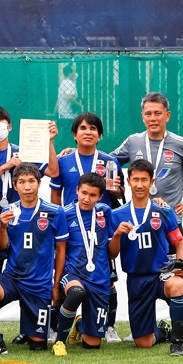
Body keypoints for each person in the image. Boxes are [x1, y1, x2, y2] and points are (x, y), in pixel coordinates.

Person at [0, 105, 59, 346]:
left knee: (28, 267)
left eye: (2, 122)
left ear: (10, 127)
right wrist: (5, 166)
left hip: (22, 217)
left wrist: (50, 141)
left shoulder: (25, 150)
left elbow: (52, 170)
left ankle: (29, 329)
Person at [0, 163, 68, 355]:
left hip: (39, 284)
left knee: (38, 347)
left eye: (31, 181)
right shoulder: (9, 210)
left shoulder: (55, 212)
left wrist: (56, 285)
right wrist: (2, 228)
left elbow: (61, 251)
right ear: (15, 186)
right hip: (12, 278)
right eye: (22, 182)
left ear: (39, 183)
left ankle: (29, 330)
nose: (27, 186)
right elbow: (1, 249)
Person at [50, 112, 123, 344]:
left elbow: (120, 195)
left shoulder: (110, 162)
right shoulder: (64, 161)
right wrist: (57, 220)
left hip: (100, 230)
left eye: (93, 128)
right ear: (74, 134)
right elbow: (55, 193)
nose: (88, 132)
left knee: (108, 279)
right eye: (82, 128)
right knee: (65, 278)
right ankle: (56, 329)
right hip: (72, 227)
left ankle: (106, 326)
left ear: (100, 135)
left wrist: (116, 190)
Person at [108, 159, 183, 356]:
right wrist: (117, 234)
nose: (139, 184)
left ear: (152, 182)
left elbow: (179, 244)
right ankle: (163, 332)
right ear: (128, 181)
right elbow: (112, 253)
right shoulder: (117, 215)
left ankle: (177, 343)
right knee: (143, 343)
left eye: (144, 180)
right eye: (135, 179)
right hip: (136, 279)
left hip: (162, 274)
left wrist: (182, 264)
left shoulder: (163, 210)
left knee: (177, 285)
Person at [111, 92, 183, 252]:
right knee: (142, 272)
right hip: (139, 222)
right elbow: (108, 161)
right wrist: (80, 150)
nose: (153, 118)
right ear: (142, 116)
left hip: (170, 221)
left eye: (158, 113)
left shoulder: (181, 144)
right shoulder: (133, 141)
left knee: (175, 272)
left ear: (167, 116)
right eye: (148, 114)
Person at [52, 173, 113, 356]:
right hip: (73, 273)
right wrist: (56, 284)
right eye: (84, 193)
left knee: (92, 345)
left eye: (93, 195)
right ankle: (59, 342)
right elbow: (59, 251)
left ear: (100, 196)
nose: (87, 199)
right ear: (77, 190)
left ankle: (79, 324)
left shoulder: (105, 212)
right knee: (76, 292)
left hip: (99, 279)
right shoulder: (64, 213)